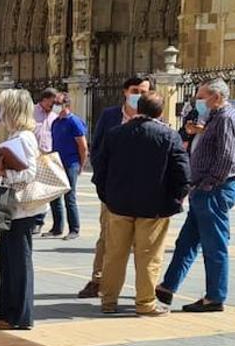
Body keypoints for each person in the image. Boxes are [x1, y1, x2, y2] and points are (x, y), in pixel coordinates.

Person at [91, 93, 189, 317]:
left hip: (118, 204)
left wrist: (107, 196)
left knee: (114, 254)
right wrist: (176, 199)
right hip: (154, 206)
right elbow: (182, 172)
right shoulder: (169, 135)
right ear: (161, 112)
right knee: (149, 256)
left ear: (137, 109)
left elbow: (100, 168)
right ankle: (145, 303)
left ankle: (108, 300)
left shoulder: (116, 133)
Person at [157, 79, 235, 313]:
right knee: (187, 241)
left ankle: (215, 296)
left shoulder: (227, 118)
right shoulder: (216, 118)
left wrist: (208, 184)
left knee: (214, 245)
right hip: (203, 190)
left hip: (213, 191)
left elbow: (226, 157)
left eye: (201, 96)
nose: (198, 101)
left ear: (216, 97)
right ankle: (168, 286)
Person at [80, 76, 151, 299]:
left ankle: (144, 290)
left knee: (143, 242)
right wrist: (103, 181)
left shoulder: (152, 114)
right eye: (134, 90)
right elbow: (98, 147)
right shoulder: (110, 115)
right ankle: (98, 279)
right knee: (106, 234)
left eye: (143, 91)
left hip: (142, 187)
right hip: (113, 186)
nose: (138, 95)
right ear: (125, 91)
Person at [0, 89, 51, 330]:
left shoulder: (23, 138)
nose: (0, 113)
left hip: (22, 209)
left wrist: (2, 170)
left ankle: (20, 315)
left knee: (18, 262)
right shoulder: (18, 136)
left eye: (3, 108)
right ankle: (9, 313)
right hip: (13, 207)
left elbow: (28, 173)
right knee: (9, 260)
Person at [49, 94, 89, 239]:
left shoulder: (74, 122)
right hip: (57, 163)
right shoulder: (56, 122)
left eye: (58, 103)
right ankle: (57, 227)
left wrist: (81, 164)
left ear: (66, 105)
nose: (55, 105)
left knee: (69, 197)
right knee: (54, 195)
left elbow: (83, 146)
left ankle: (74, 229)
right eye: (54, 103)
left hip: (71, 162)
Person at [33, 88, 68, 236]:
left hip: (51, 156)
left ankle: (58, 226)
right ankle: (37, 222)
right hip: (34, 155)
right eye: (53, 102)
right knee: (36, 191)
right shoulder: (31, 112)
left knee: (54, 192)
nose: (54, 105)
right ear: (45, 99)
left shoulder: (56, 115)